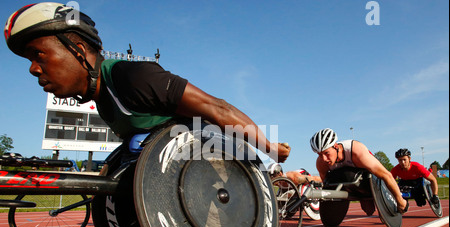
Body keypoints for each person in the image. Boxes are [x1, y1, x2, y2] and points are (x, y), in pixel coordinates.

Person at [4, 2, 290, 163]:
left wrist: (270, 148)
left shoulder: (131, 77)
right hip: (171, 166)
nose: (32, 69)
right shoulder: (104, 101)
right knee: (130, 150)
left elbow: (217, 107)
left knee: (139, 144)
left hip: (219, 160)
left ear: (78, 50)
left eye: (38, 55)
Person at [310, 128, 409, 213]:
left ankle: (372, 199)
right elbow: (327, 186)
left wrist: (400, 201)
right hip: (351, 183)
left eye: (326, 153)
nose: (324, 159)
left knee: (373, 210)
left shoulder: (356, 151)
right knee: (368, 210)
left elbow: (386, 175)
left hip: (368, 177)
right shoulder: (321, 163)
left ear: (335, 146)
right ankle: (362, 197)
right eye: (319, 154)